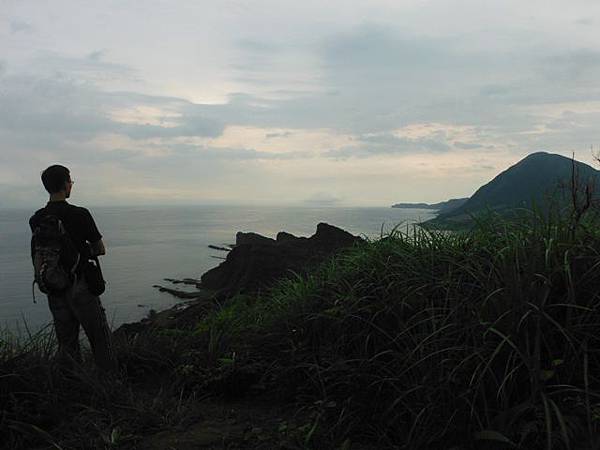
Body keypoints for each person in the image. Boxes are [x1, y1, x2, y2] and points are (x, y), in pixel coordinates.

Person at [29, 165, 116, 371]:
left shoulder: (36, 219)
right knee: (100, 340)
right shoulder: (80, 214)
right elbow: (99, 249)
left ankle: (72, 387)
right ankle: (110, 385)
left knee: (66, 345)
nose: (71, 185)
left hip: (54, 286)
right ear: (65, 184)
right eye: (70, 182)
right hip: (81, 286)